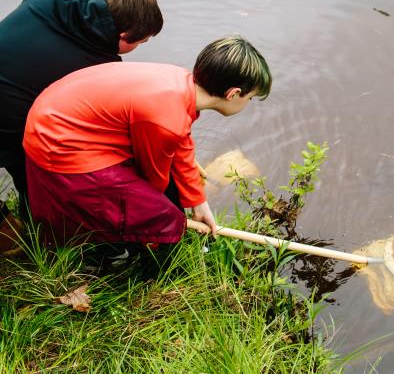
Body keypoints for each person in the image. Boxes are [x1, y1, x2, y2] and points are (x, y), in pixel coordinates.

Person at [22, 36, 272, 257]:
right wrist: (163, 215)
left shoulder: (179, 80)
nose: (247, 103)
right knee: (165, 217)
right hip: (57, 143)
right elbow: (154, 179)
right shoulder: (166, 118)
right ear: (233, 93)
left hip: (51, 115)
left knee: (165, 203)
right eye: (250, 98)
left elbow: (181, 143)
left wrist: (198, 202)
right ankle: (116, 253)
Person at [0, 0, 163, 214]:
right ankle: (33, 227)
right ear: (124, 38)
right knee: (29, 167)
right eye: (141, 42)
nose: (138, 48)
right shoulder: (99, 68)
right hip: (6, 125)